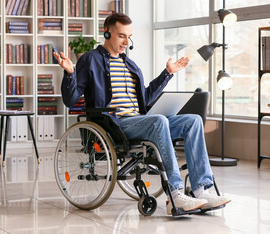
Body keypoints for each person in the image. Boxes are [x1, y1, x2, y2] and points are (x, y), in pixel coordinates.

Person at [54, 13, 230, 215]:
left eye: (129, 36)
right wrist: (69, 73)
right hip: (115, 124)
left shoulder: (130, 65)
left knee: (193, 120)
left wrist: (168, 74)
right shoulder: (90, 60)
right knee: (158, 121)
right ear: (107, 33)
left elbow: (145, 99)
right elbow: (71, 100)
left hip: (142, 120)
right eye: (122, 36)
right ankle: (175, 194)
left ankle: (201, 189)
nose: (127, 42)